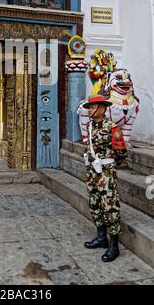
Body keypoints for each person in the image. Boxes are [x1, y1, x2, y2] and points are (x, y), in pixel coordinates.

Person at [82, 95, 127, 262]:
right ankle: (102, 238)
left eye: (92, 107)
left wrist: (108, 164)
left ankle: (114, 246)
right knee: (94, 203)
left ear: (102, 108)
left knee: (110, 207)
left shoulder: (112, 127)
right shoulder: (89, 126)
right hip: (92, 172)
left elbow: (121, 153)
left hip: (106, 173)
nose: (89, 110)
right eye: (89, 107)